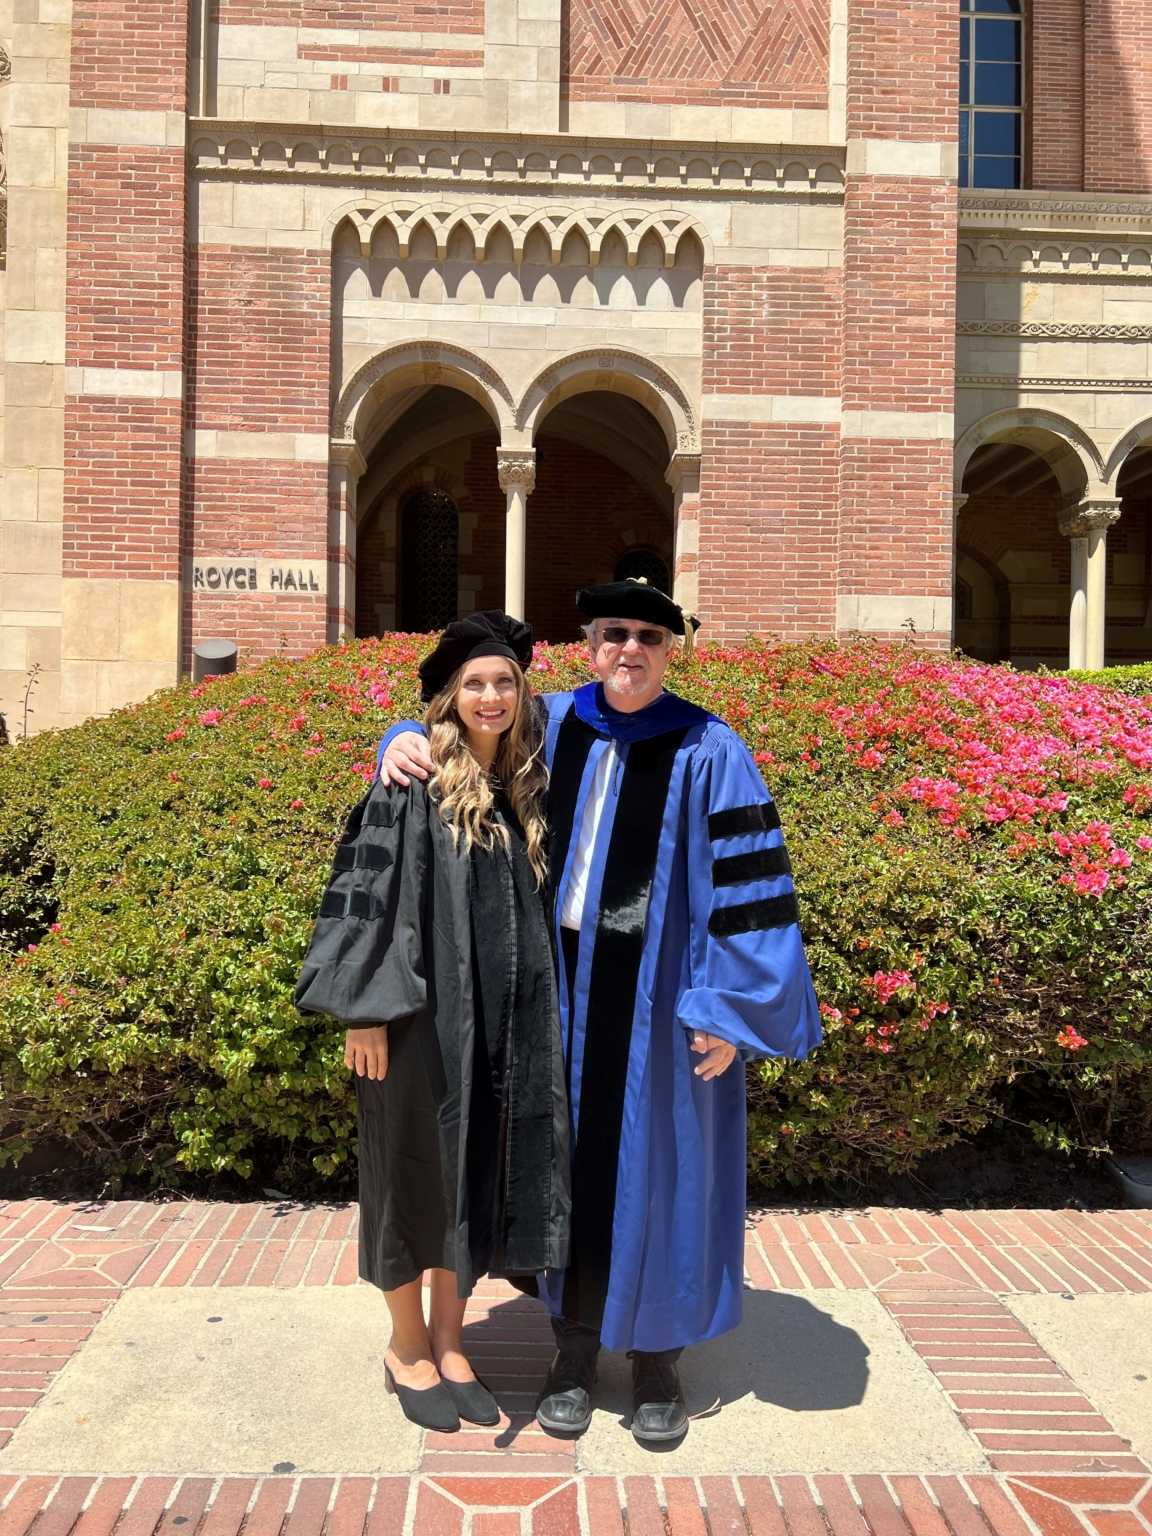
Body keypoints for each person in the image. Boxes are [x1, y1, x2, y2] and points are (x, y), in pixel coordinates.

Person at [378, 581, 822, 1446]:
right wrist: (398, 737)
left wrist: (729, 1007)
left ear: (672, 649)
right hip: (558, 989)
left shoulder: (708, 746)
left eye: (649, 635)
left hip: (667, 1001)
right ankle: (573, 1350)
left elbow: (750, 890)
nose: (629, 648)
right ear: (588, 642)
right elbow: (462, 723)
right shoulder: (550, 719)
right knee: (565, 1164)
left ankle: (657, 1358)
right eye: (613, 632)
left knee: (666, 1168)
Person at [296, 611, 570, 1434]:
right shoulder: (411, 779)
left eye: (505, 682)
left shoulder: (529, 779)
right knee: (411, 1179)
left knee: (472, 1179)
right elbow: (367, 896)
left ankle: (454, 1345)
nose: (491, 696)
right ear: (447, 698)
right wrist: (364, 1013)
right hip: (417, 1020)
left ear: (524, 695)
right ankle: (406, 1347)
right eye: (474, 683)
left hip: (503, 1026)